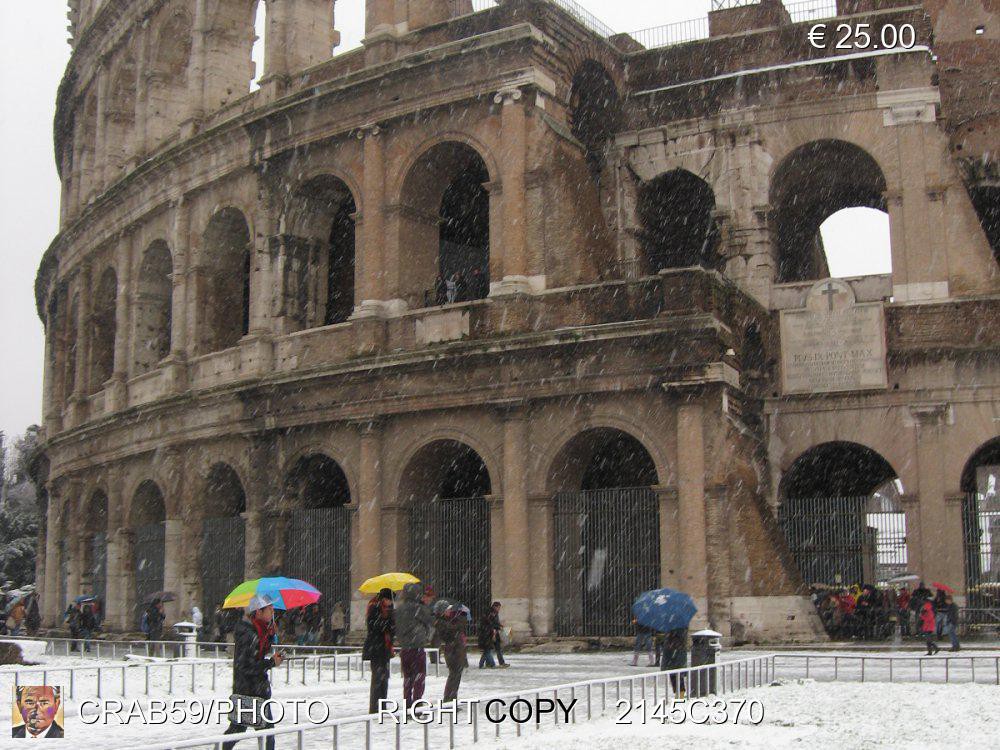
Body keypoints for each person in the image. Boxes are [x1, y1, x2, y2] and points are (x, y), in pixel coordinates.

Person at [222, 594, 283, 750]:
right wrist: (270, 663)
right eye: (269, 609)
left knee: (240, 731)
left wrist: (270, 636)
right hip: (248, 691)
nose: (272, 612)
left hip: (255, 690)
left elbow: (257, 654)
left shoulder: (258, 630)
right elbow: (246, 665)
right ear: (258, 612)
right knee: (263, 735)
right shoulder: (248, 634)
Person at [396, 583, 435, 710]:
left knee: (407, 677)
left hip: (404, 647)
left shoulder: (399, 609)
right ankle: (417, 705)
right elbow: (430, 624)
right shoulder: (419, 608)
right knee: (419, 676)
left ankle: (407, 702)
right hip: (417, 646)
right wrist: (427, 638)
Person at [363, 587, 395, 714]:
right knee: (377, 678)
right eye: (389, 600)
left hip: (385, 648)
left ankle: (383, 705)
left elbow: (391, 630)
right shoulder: (374, 608)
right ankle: (375, 707)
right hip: (376, 648)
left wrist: (391, 621)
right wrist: (387, 621)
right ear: (384, 599)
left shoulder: (388, 610)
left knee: (384, 678)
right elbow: (374, 627)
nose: (390, 603)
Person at [435, 601, 468, 704]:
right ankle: (449, 700)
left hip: (456, 650)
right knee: (454, 676)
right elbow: (451, 632)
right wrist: (460, 621)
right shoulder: (441, 622)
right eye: (447, 610)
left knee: (455, 676)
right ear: (442, 611)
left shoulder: (448, 620)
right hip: (453, 651)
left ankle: (451, 699)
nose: (450, 611)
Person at [660, 628, 689, 696]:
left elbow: (678, 639)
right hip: (672, 656)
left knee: (677, 676)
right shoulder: (673, 628)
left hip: (675, 655)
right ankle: (679, 695)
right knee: (674, 677)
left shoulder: (677, 629)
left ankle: (680, 697)